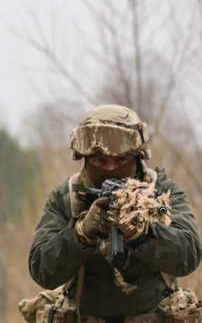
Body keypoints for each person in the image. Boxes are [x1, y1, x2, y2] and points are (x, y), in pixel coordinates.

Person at [27, 104, 202, 321]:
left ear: (137, 156)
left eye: (121, 160)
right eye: (100, 160)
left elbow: (188, 256)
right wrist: (81, 233)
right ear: (85, 157)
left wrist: (143, 233)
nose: (110, 169)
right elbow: (42, 269)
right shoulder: (68, 198)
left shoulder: (161, 195)